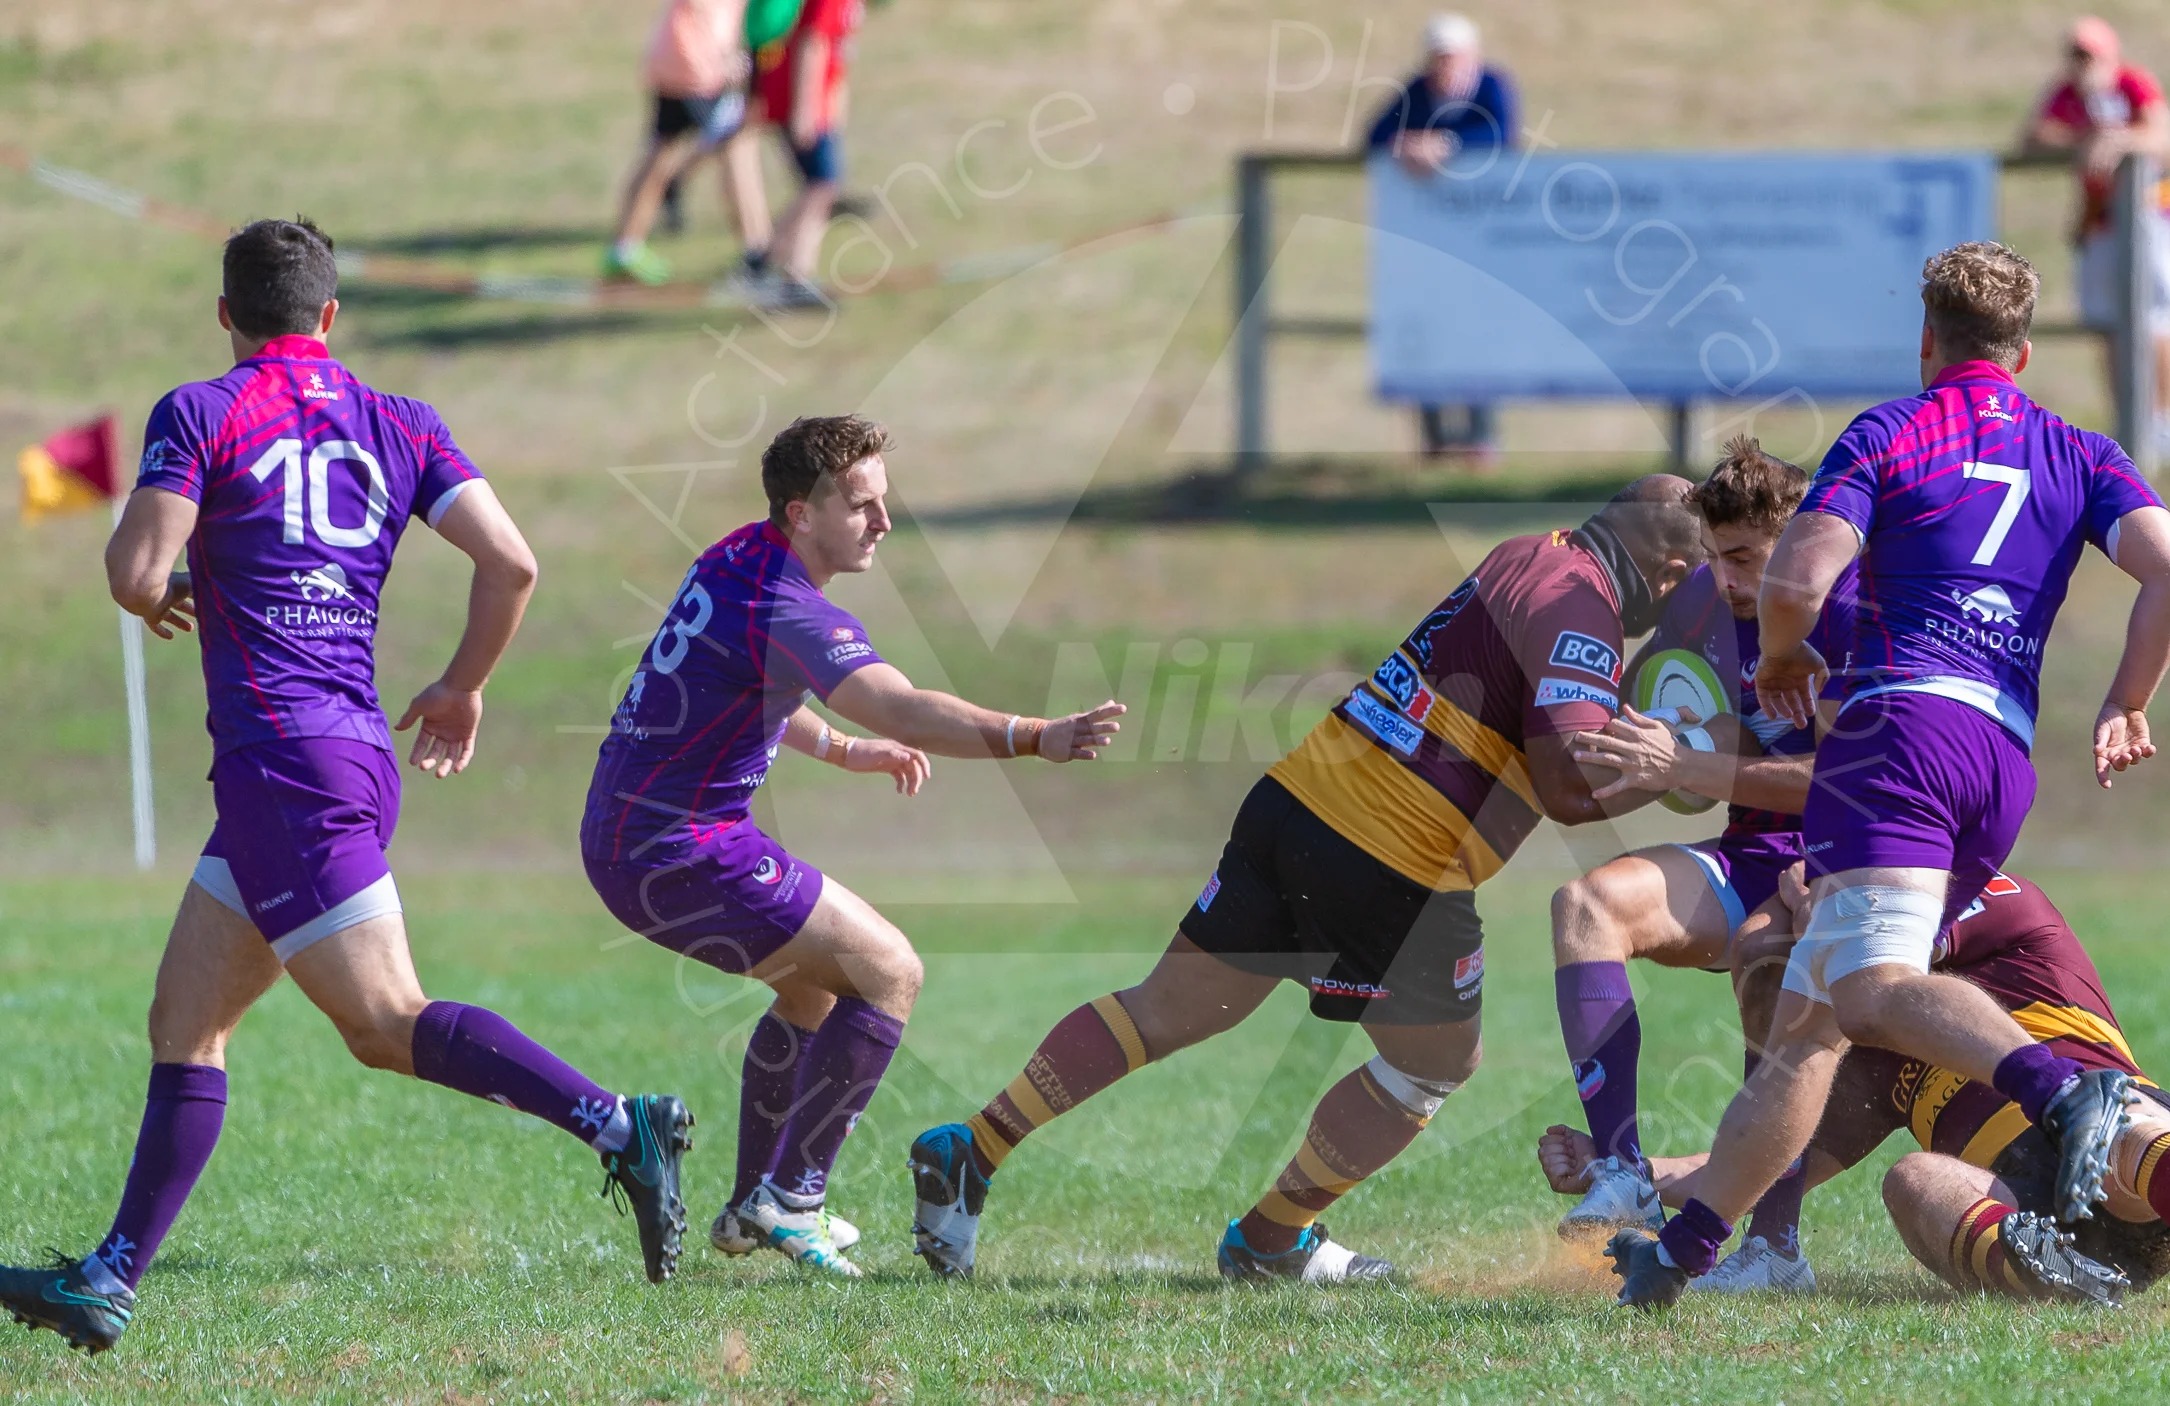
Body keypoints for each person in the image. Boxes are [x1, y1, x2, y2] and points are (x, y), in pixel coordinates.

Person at [0, 220, 691, 1357]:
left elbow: (133, 571)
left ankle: (619, 1124)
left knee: (384, 1021)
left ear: (225, 316)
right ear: (330, 317)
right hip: (349, 753)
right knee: (185, 1019)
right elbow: (512, 562)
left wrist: (156, 588)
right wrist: (464, 687)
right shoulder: (401, 420)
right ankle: (108, 1279)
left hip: (281, 762)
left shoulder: (203, 409)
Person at [906, 479, 1706, 1283]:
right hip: (1395, 856)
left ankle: (974, 1146)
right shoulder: (1584, 610)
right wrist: (1680, 776)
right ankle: (1272, 1238)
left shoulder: (1527, 555)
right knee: (1434, 1065)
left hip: (1296, 802)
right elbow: (1570, 790)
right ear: (1667, 573)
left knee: (1163, 1009)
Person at [1611, 240, 2170, 1311]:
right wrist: (2126, 699)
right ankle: (1685, 1249)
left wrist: (1785, 653)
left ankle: (2066, 1094)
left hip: (1898, 737)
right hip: (1997, 756)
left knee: (1868, 989)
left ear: (1927, 340)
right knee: (1807, 1025)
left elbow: (1797, 571)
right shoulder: (2077, 449)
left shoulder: (1891, 428)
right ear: (2019, 352)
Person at [581, 414, 1124, 1277]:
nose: (883, 522)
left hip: (632, 834)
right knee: (890, 970)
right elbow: (899, 704)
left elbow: (742, 683)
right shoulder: (788, 604)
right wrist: (1034, 735)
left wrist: (840, 749)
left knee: (812, 995)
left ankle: (751, 1205)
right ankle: (794, 1199)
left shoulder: (736, 557)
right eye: (862, 504)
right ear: (802, 512)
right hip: (674, 847)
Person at [1543, 869, 2170, 1309]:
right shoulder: (1867, 1050)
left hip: (2111, 1155)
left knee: (2122, 1124)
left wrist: (1815, 911)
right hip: (2017, 1204)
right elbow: (1761, 1165)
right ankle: (2051, 1278)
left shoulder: (1999, 901)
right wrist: (1628, 1174)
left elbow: (1888, 929)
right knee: (1914, 1181)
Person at [1538, 436, 1857, 1265]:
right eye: (1714, 559)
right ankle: (1621, 1166)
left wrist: (1685, 760)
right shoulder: (1722, 613)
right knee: (1585, 906)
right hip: (1750, 854)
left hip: (1845, 865)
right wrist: (1638, 761)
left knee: (1769, 961)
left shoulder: (1855, 617)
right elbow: (1729, 735)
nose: (1726, 580)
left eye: (1745, 558)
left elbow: (1843, 779)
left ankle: (1774, 1250)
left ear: (1798, 544)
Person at [2022, 15, 2170, 463]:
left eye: (2090, 55)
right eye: (2076, 55)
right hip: (2098, 223)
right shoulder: (2066, 95)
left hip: (2149, 216)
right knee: (2107, 321)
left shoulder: (2133, 84)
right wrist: (2083, 140)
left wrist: (2119, 141)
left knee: (2157, 318)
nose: (2083, 65)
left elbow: (2161, 137)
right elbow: (2033, 138)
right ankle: (2127, 418)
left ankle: (2163, 418)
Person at [1364, 13, 1517, 465]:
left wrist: (1445, 144)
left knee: (1478, 336)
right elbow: (1373, 136)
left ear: (1472, 56)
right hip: (1428, 243)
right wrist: (1405, 145)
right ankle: (1434, 442)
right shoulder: (1416, 91)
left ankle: (1480, 438)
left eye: (1452, 57)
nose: (1443, 67)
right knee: (1425, 333)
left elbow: (1501, 135)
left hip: (1482, 240)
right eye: (1437, 58)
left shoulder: (1491, 86)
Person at [604, 0, 773, 288]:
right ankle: (756, 256)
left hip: (676, 59)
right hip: (697, 67)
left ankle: (624, 250)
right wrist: (724, 57)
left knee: (662, 150)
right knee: (736, 146)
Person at [748, 0, 865, 303]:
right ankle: (791, 275)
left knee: (819, 185)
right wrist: (804, 108)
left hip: (813, 102)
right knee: (822, 184)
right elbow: (810, 42)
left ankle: (766, 261)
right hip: (798, 101)